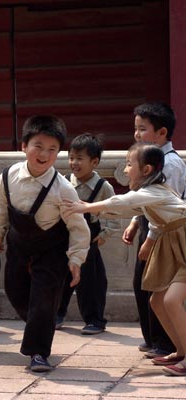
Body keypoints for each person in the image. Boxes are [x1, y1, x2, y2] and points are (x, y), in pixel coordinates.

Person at [63, 143, 186, 376]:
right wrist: (91, 209)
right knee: (157, 302)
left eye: (130, 164)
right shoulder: (153, 193)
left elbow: (122, 203)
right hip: (173, 245)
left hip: (183, 244)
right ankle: (181, 350)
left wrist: (87, 207)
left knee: (170, 300)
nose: (126, 170)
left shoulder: (154, 192)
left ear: (147, 169)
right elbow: (128, 210)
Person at [0, 116, 90, 372]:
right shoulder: (7, 176)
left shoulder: (63, 188)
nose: (44, 154)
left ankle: (39, 352)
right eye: (38, 146)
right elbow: (0, 207)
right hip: (18, 247)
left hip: (51, 251)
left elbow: (79, 226)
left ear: (59, 153)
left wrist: (76, 260)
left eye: (52, 149)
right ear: (24, 146)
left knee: (44, 301)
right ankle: (40, 323)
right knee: (15, 292)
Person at [122, 102, 186, 358]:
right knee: (145, 286)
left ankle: (166, 343)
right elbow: (144, 201)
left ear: (162, 133)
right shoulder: (153, 161)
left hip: (167, 234)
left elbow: (162, 207)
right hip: (154, 229)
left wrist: (149, 240)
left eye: (142, 129)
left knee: (155, 289)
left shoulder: (169, 164)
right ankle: (157, 341)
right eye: (136, 129)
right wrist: (135, 222)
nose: (137, 135)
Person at [55, 134, 120, 334]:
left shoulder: (103, 187)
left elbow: (113, 213)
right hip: (63, 236)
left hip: (89, 238)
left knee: (91, 282)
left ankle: (95, 320)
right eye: (71, 157)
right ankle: (56, 315)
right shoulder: (63, 182)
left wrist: (103, 235)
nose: (74, 163)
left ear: (94, 162)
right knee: (59, 279)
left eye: (80, 158)